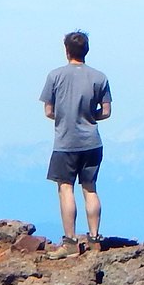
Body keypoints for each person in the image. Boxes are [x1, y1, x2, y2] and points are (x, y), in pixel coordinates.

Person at [38, 30, 111, 256]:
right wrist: (89, 117)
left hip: (65, 142)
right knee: (90, 189)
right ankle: (95, 239)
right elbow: (106, 112)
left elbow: (48, 110)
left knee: (65, 188)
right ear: (86, 50)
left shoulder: (55, 76)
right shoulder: (100, 77)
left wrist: (63, 117)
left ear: (67, 50)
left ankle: (70, 242)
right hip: (92, 142)